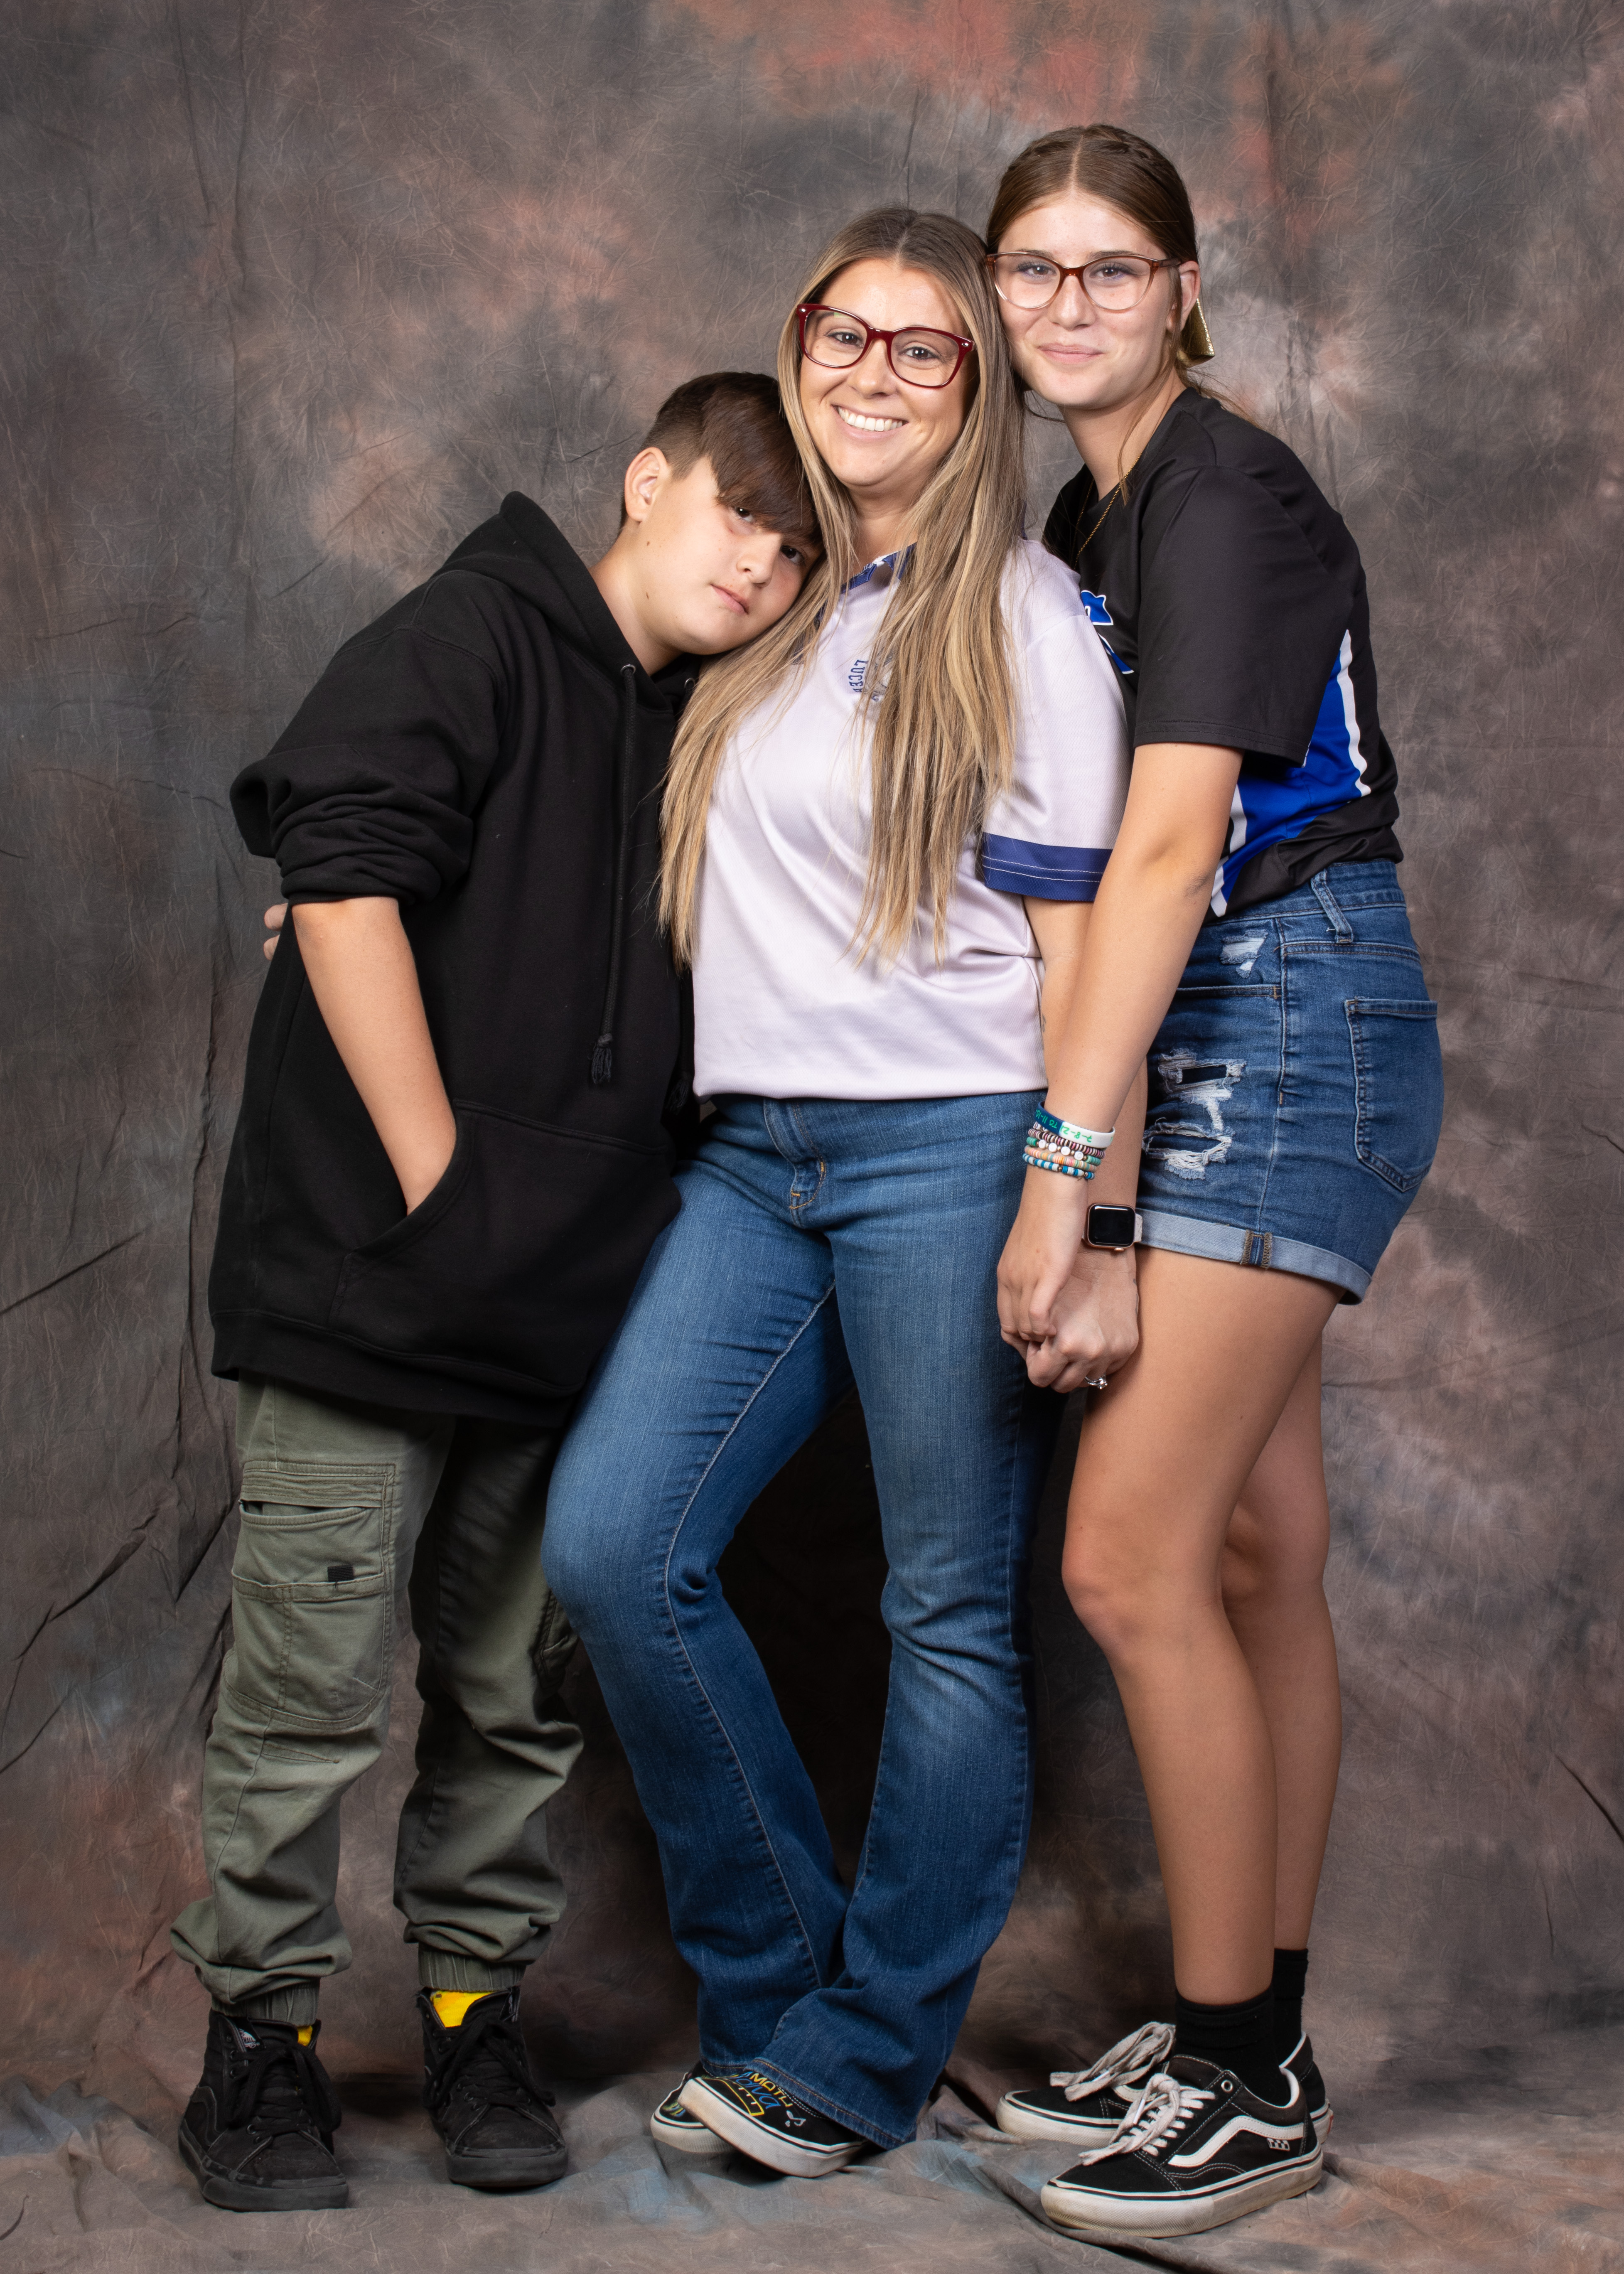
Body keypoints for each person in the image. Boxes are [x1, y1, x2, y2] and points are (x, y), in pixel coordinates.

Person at [169, 373, 821, 2213]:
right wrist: (443, 1180)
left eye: (794, 552)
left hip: (559, 1318)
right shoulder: (476, 630)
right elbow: (339, 873)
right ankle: (259, 2045)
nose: (759, 566)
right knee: (306, 1689)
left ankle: (473, 2011)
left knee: (511, 1698)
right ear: (647, 481)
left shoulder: (717, 731)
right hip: (367, 1287)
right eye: (736, 514)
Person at [541, 207, 1135, 2178]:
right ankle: (784, 1995)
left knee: (947, 1606)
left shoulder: (1023, 619)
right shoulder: (775, 594)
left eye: (924, 347)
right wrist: (352, 878)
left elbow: (1095, 948)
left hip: (951, 1144)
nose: (873, 374)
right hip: (753, 1154)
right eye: (843, 334)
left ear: (976, 390)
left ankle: (863, 2059)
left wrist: (1075, 1200)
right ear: (798, 345)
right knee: (619, 1543)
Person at [985, 124, 1444, 2240]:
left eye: (1113, 268)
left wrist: (1064, 1184)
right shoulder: (1095, 509)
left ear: (1185, 288)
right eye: (1034, 268)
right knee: (1259, 1555)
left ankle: (1246, 2085)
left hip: (1291, 1014)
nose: (1070, 305)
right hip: (1220, 1015)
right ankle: (1243, 2023)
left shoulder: (1226, 492)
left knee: (1127, 1557)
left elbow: (1172, 852)